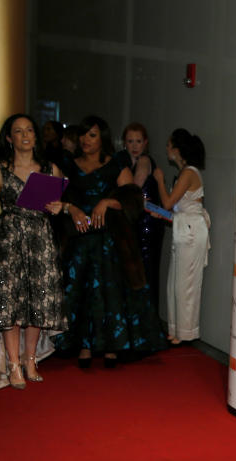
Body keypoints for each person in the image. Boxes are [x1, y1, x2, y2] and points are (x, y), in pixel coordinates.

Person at [54, 115, 165, 368]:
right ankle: (84, 346)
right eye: (82, 135)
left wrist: (107, 202)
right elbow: (52, 201)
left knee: (109, 292)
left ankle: (112, 348)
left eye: (91, 135)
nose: (85, 140)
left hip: (109, 240)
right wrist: (71, 208)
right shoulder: (68, 165)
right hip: (79, 239)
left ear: (102, 138)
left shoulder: (115, 165)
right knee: (80, 291)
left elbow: (134, 199)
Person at [0, 114, 68, 389]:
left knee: (38, 301)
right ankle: (12, 364)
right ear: (9, 137)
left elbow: (58, 205)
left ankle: (30, 360)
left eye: (29, 130)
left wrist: (58, 207)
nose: (25, 135)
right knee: (8, 303)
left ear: (36, 136)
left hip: (40, 241)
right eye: (18, 131)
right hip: (6, 243)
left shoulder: (51, 168)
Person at [152, 129, 208, 344]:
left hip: (191, 232)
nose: (166, 149)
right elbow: (176, 209)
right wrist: (160, 213)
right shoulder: (187, 172)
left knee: (186, 284)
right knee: (175, 283)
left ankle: (186, 333)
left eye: (169, 145)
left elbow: (168, 203)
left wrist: (159, 180)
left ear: (177, 149)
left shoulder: (188, 173)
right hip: (185, 229)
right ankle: (177, 331)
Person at [115, 122, 165, 318]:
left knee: (144, 274)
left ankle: (146, 323)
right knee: (137, 274)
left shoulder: (144, 161)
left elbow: (134, 189)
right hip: (135, 224)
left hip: (146, 227)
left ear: (145, 143)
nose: (134, 145)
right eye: (130, 141)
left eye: (138, 141)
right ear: (124, 143)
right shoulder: (126, 162)